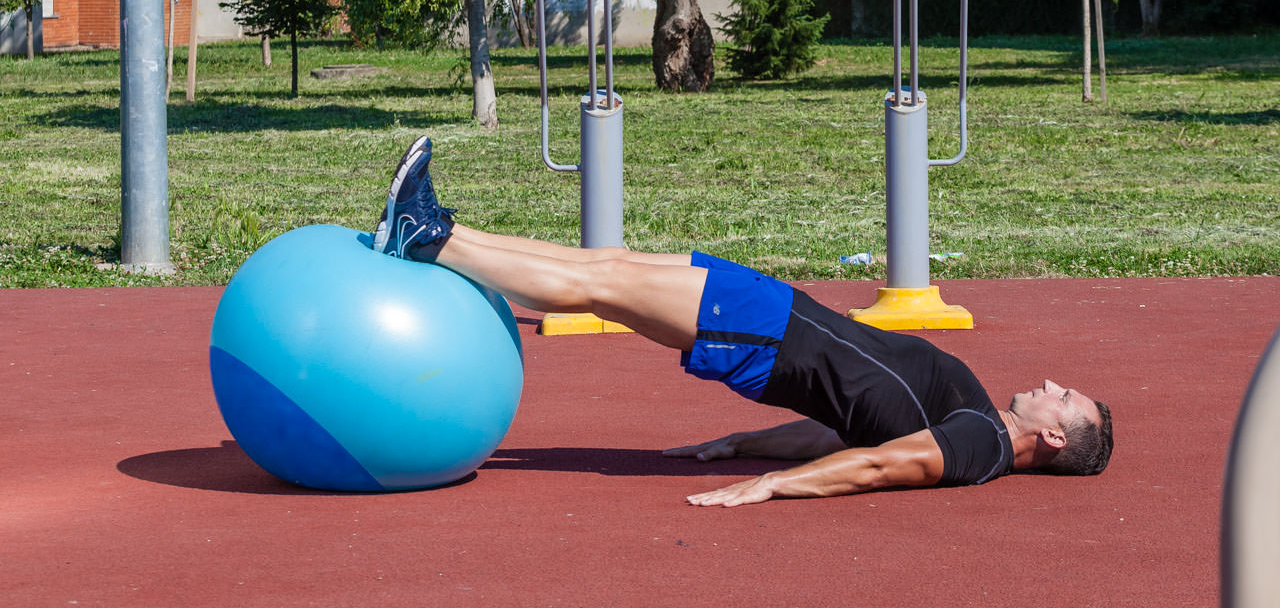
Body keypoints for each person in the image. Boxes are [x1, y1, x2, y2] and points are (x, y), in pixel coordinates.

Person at [372, 137, 1114, 507]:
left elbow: (879, 464)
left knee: (600, 283)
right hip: (779, 316)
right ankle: (437, 229)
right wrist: (743, 442)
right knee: (608, 265)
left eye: (1065, 396)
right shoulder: (974, 420)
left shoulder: (983, 442)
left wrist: (771, 483)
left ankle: (430, 237)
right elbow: (847, 431)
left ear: (1053, 436)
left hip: (771, 334)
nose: (1051, 383)